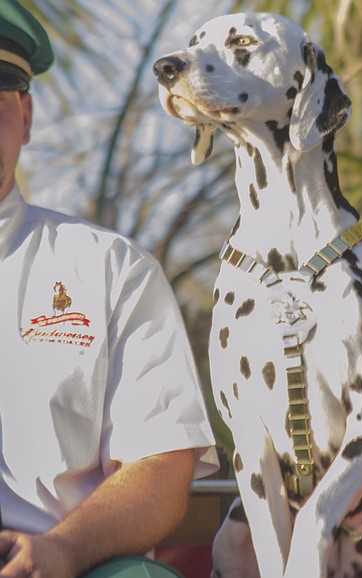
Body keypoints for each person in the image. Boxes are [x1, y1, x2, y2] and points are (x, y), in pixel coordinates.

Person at [0, 2, 219, 576]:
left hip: (56, 558)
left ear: (24, 117)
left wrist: (62, 551)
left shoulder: (109, 269)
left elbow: (161, 464)